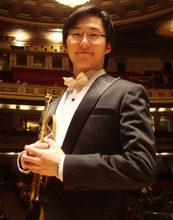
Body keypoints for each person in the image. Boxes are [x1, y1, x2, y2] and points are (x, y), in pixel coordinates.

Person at [17, 5, 157, 220]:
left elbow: (142, 167)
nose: (83, 41)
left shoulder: (128, 93)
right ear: (65, 45)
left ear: (108, 45)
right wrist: (28, 161)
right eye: (76, 34)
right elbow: (46, 160)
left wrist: (63, 165)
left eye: (93, 34)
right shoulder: (53, 104)